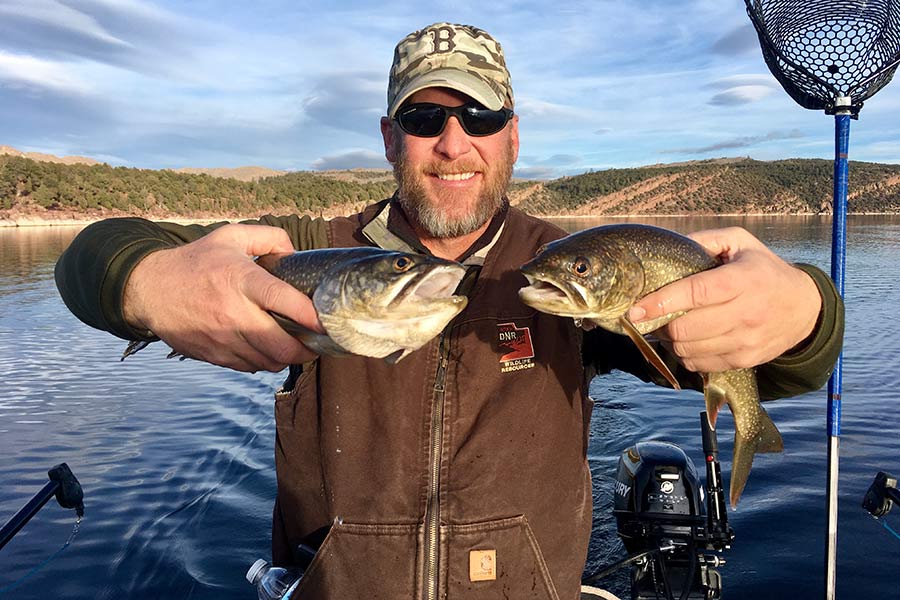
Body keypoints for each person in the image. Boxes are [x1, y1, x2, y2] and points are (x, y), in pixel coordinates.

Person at [55, 22, 843, 600]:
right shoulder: (302, 253)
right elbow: (90, 258)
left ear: (513, 137)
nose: (454, 141)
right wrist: (148, 281)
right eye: (426, 119)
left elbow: (785, 366)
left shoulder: (576, 270)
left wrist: (804, 307)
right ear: (391, 138)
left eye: (481, 117)